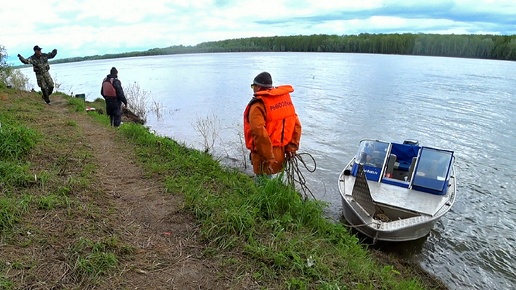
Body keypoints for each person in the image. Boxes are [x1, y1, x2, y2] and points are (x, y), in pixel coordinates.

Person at [243, 72, 302, 176]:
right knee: (277, 181)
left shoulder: (258, 105)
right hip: (282, 153)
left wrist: (268, 157)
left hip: (264, 156)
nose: (253, 89)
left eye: (253, 86)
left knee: (263, 184)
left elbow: (259, 134)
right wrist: (292, 148)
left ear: (259, 87)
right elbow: (296, 126)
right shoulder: (284, 101)